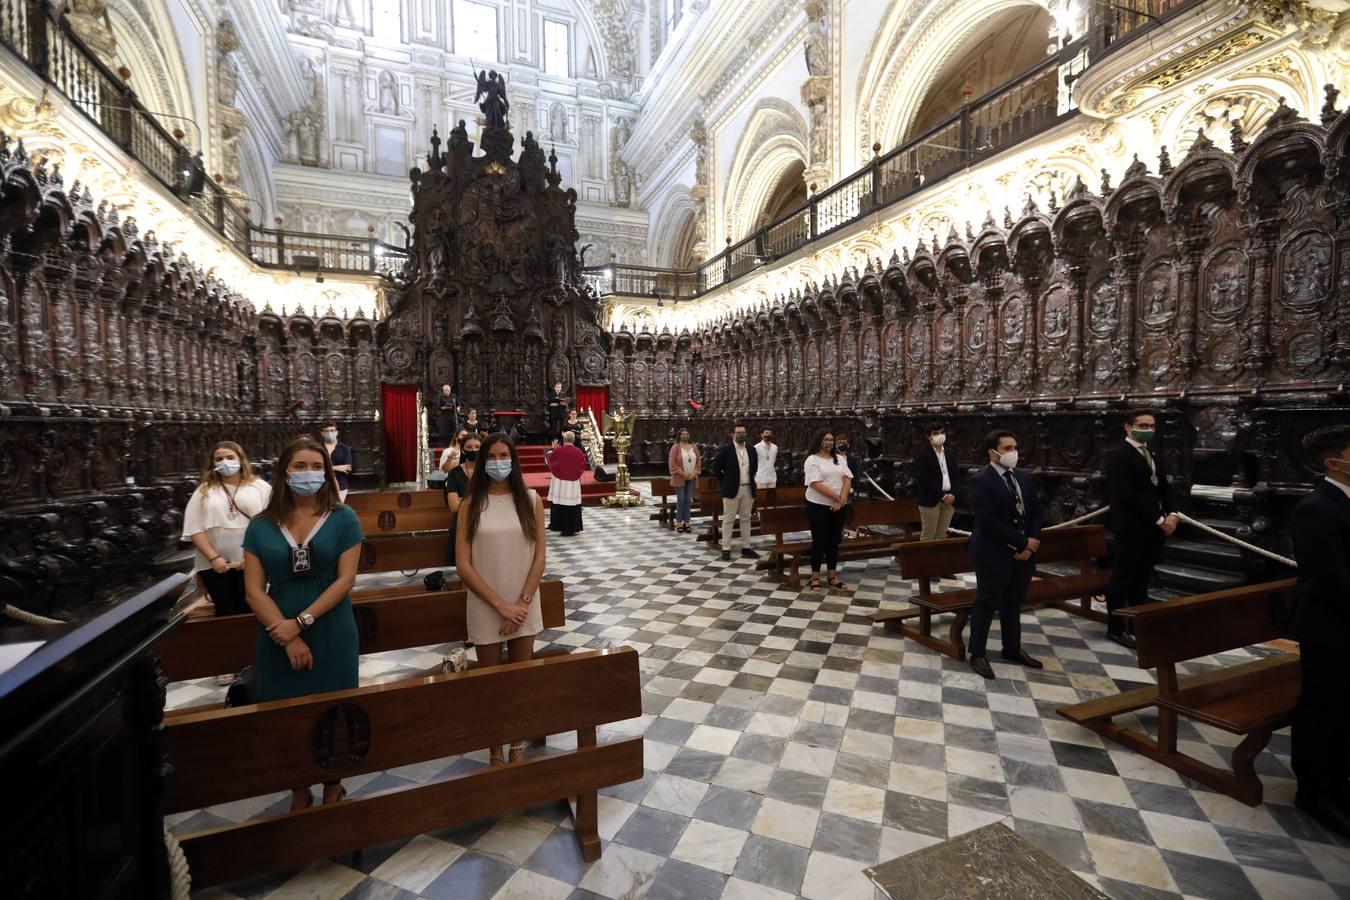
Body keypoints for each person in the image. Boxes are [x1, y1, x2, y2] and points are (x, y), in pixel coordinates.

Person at [242, 436, 364, 810]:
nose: (309, 474)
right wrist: (287, 633)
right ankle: (298, 787)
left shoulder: (343, 517)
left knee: (335, 709)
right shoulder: (262, 526)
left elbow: (346, 580)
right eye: (300, 466)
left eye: (316, 467)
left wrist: (302, 622)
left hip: (330, 625)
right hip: (277, 630)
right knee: (287, 713)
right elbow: (253, 590)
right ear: (284, 473)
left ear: (327, 473)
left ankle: (332, 783)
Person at [455, 433, 547, 767]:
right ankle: (494, 747)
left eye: (503, 456)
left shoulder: (530, 499)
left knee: (519, 681)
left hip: (524, 601)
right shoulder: (470, 504)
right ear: (482, 462)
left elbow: (539, 557)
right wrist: (501, 605)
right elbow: (463, 565)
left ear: (514, 459)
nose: (498, 463)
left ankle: (517, 744)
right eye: (491, 457)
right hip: (485, 602)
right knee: (491, 684)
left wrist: (520, 603)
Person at [1289, 425, 1350, 838]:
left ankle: (1340, 781)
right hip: (1330, 629)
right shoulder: (1316, 509)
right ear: (1335, 462)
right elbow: (1333, 581)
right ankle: (1314, 792)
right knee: (1323, 710)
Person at [966, 430, 1045, 680]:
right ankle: (977, 653)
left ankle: (1012, 648)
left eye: (1015, 447)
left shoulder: (1023, 477)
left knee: (1013, 601)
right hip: (993, 552)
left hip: (1024, 552)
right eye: (1007, 448)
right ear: (993, 452)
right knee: (987, 601)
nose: (1013, 452)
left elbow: (1036, 512)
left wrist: (1030, 544)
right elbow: (987, 521)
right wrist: (1022, 543)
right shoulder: (981, 480)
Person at [1103, 409, 1176, 649]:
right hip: (1130, 526)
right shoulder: (1117, 455)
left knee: (1142, 578)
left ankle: (1137, 624)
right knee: (1123, 577)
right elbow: (1127, 494)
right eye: (1143, 425)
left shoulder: (1151, 453)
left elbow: (1162, 487)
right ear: (1128, 427)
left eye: (1152, 426)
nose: (1148, 430)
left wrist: (1173, 514)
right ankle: (1116, 628)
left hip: (1151, 528)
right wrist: (1158, 519)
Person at [182, 441, 271, 616]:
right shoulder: (204, 491)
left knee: (252, 607)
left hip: (252, 559)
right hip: (214, 563)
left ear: (241, 459)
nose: (225, 461)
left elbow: (271, 524)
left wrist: (254, 555)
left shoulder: (260, 487)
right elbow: (195, 528)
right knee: (225, 609)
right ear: (213, 463)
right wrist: (214, 557)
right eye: (219, 458)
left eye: (230, 457)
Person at [803, 429, 852, 593]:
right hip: (818, 505)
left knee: (833, 541)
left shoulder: (838, 459)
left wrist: (842, 499)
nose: (829, 442)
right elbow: (816, 483)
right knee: (820, 541)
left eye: (831, 439)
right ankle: (815, 577)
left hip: (838, 506)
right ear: (819, 440)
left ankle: (832, 576)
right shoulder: (812, 459)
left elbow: (847, 478)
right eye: (825, 439)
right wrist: (838, 498)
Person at [712, 423, 758, 561]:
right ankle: (726, 549)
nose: (741, 434)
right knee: (728, 519)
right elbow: (716, 470)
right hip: (731, 489)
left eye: (743, 432)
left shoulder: (751, 449)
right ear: (732, 435)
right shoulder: (725, 450)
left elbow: (754, 468)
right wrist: (726, 482)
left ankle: (746, 547)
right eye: (738, 432)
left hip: (748, 488)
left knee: (746, 518)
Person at [915, 423, 961, 541]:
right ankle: (924, 559)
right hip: (930, 500)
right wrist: (943, 495)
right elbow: (924, 478)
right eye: (935, 433)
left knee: (941, 536)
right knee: (928, 536)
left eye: (942, 432)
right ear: (928, 437)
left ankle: (937, 559)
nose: (940, 435)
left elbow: (955, 475)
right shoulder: (923, 454)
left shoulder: (950, 452)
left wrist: (953, 494)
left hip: (949, 500)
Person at [443, 433, 480, 567]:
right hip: (461, 523)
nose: (473, 450)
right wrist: (480, 501)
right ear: (463, 450)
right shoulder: (455, 473)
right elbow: (453, 506)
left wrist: (463, 500)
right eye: (469, 447)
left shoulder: (488, 471)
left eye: (477, 447)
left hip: (484, 523)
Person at [546, 431, 588, 536]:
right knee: (572, 504)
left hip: (560, 483)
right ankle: (573, 527)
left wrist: (552, 449)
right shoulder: (579, 452)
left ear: (563, 440)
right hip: (573, 483)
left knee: (560, 503)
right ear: (573, 440)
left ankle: (559, 525)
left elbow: (549, 459)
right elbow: (583, 464)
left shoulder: (558, 451)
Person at [669, 427, 701, 533]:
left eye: (687, 434)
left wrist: (694, 473)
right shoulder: (675, 447)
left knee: (688, 500)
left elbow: (698, 462)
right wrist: (682, 474)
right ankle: (679, 522)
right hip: (680, 478)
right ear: (679, 436)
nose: (685, 436)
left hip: (691, 477)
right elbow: (672, 464)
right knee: (681, 499)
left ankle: (687, 522)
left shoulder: (694, 447)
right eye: (682, 434)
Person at [320, 422, 353, 502]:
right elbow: (316, 469)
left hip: (341, 486)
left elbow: (347, 469)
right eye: (327, 431)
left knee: (336, 509)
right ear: (322, 433)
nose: (329, 433)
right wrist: (336, 467)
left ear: (336, 432)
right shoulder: (318, 449)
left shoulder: (345, 449)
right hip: (321, 485)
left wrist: (325, 468)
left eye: (332, 430)